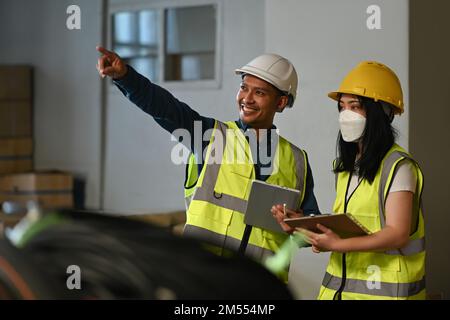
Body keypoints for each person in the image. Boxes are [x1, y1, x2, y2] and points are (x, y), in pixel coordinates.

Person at [96, 46, 320, 282]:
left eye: (260, 93)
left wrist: (297, 225)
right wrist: (125, 77)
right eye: (244, 88)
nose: (247, 99)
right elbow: (165, 108)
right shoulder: (210, 137)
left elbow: (312, 226)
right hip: (203, 280)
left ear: (281, 102)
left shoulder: (297, 160)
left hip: (259, 287)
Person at [272, 61, 426, 299]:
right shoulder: (346, 167)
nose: (345, 114)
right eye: (342, 106)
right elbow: (348, 227)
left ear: (381, 112)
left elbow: (397, 233)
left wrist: (336, 245)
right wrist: (302, 224)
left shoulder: (399, 167)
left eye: (355, 106)